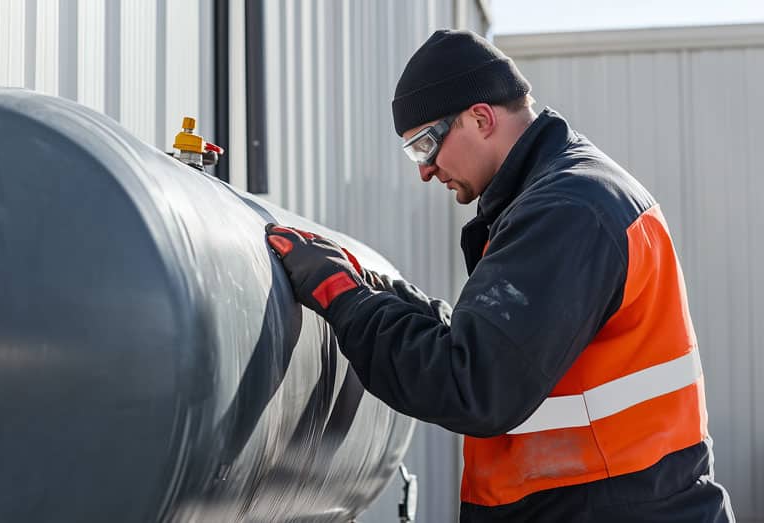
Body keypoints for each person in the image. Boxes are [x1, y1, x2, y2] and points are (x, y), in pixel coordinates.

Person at [264, 29, 735, 522]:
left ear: (481, 118)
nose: (425, 171)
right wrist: (386, 295)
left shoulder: (566, 210)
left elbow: (472, 383)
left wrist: (344, 298)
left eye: (425, 146)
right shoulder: (564, 196)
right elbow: (504, 348)